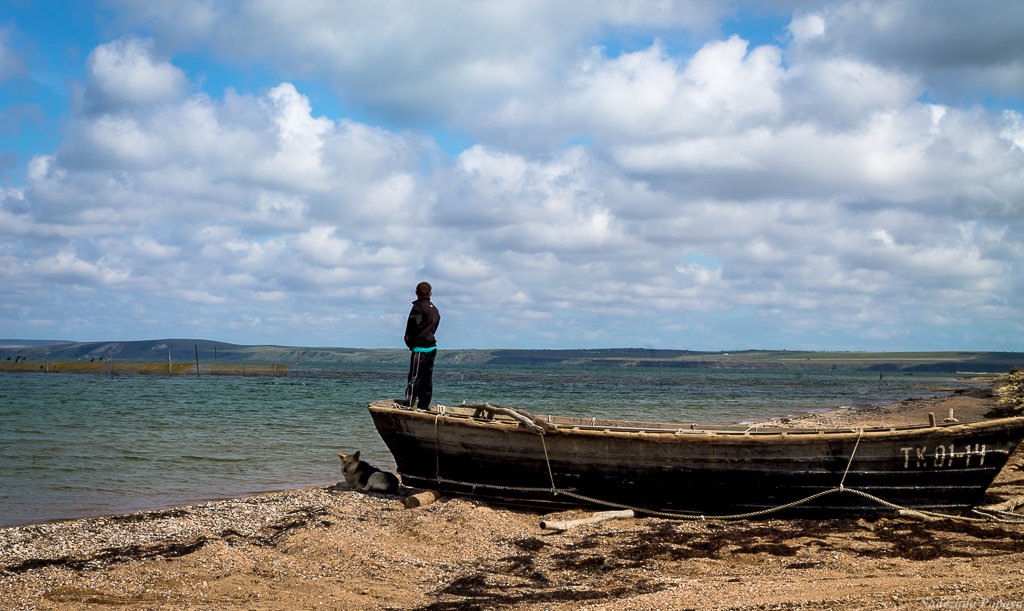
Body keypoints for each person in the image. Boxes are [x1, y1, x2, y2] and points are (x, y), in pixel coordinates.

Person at [404, 281, 440, 409]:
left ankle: (408, 405)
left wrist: (408, 340)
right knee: (426, 378)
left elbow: (414, 325)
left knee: (414, 377)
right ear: (430, 293)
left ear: (416, 293)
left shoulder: (418, 307)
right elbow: (435, 326)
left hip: (421, 347)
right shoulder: (434, 309)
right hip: (432, 347)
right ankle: (424, 405)